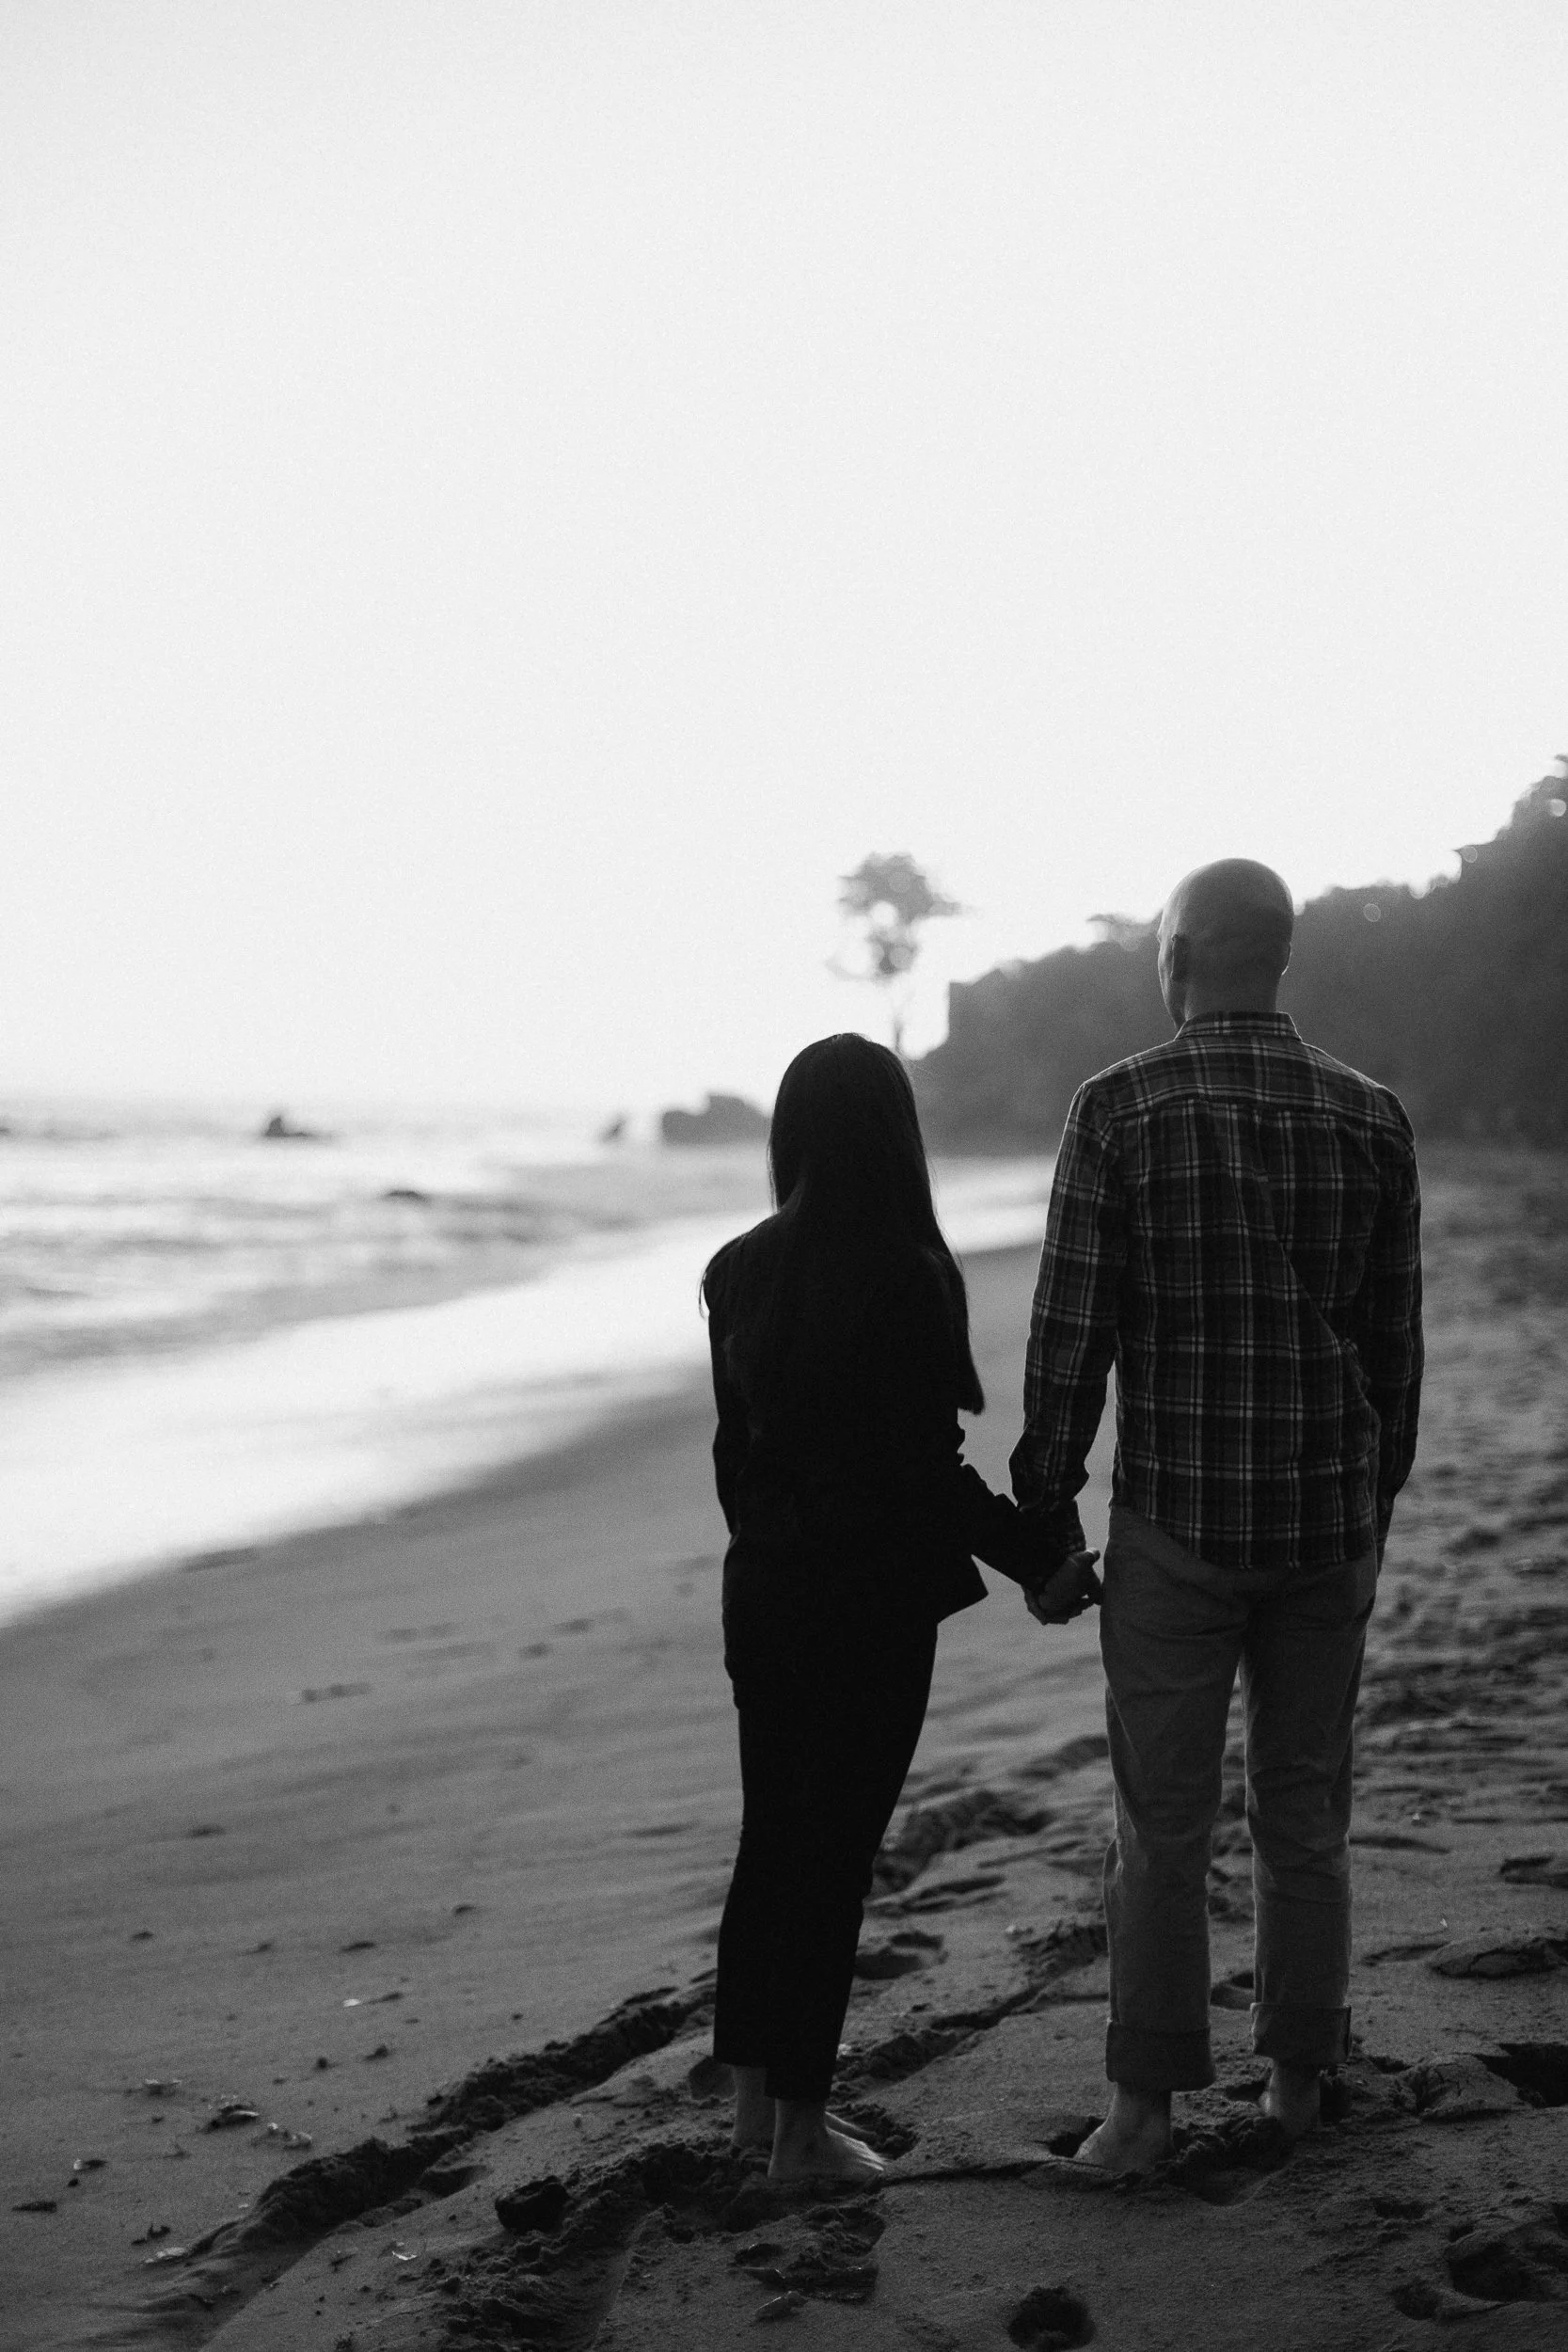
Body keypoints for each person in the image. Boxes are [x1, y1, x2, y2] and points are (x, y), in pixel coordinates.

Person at [1010, 860, 1423, 2172]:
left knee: (1161, 1824)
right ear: (1276, 957)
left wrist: (1045, 1527)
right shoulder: (1370, 1117)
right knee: (1302, 1811)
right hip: (1322, 1527)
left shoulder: (1119, 1107)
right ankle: (1297, 2084)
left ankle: (1140, 2113)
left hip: (1177, 1533)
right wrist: (1369, 1504)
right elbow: (1391, 1351)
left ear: (1179, 951)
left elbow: (1066, 1345)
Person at [703, 1033, 1098, 2184]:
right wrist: (1038, 1562)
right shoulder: (906, 1272)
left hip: (763, 1592)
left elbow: (737, 1455)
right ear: (896, 1135)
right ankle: (798, 2135)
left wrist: (773, 1544)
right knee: (831, 1858)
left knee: (769, 1841)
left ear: (791, 1134)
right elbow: (922, 1473)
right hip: (863, 1610)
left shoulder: (733, 1267)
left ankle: (746, 2109)